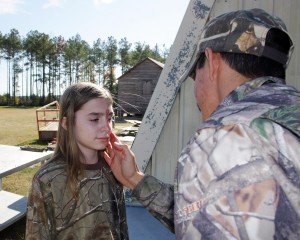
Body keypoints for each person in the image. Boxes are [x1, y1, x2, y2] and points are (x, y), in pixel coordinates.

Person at [104, 8, 300, 239]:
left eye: (195, 76)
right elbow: (212, 213)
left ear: (212, 60)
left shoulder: (225, 135)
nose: (196, 91)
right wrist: (135, 180)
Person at [26, 82, 128, 239]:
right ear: (67, 123)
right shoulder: (47, 179)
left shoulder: (113, 168)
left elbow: (121, 223)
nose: (107, 128)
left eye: (109, 118)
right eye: (94, 119)